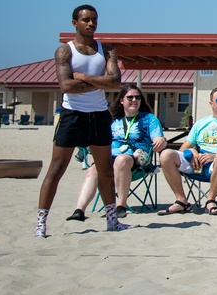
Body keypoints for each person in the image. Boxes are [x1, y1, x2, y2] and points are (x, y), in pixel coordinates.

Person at [35, 4, 126, 238]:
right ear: (75, 23)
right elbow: (66, 86)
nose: (91, 23)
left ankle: (112, 220)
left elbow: (116, 83)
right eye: (86, 20)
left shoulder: (107, 50)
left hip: (98, 114)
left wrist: (85, 77)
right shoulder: (64, 51)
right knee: (56, 169)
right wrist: (100, 81)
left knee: (105, 170)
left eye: (94, 19)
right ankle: (41, 223)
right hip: (72, 114)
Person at [67, 84, 166, 221]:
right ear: (121, 100)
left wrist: (161, 140)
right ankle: (79, 210)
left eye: (137, 97)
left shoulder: (148, 118)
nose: (134, 100)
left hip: (136, 161)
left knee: (122, 160)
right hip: (110, 158)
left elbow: (158, 137)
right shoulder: (112, 119)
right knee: (94, 169)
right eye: (129, 97)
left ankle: (120, 206)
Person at [157, 87, 217, 216]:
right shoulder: (201, 123)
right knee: (166, 154)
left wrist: (214, 156)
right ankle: (181, 201)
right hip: (197, 162)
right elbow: (184, 148)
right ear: (211, 103)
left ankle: (210, 200)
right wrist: (192, 152)